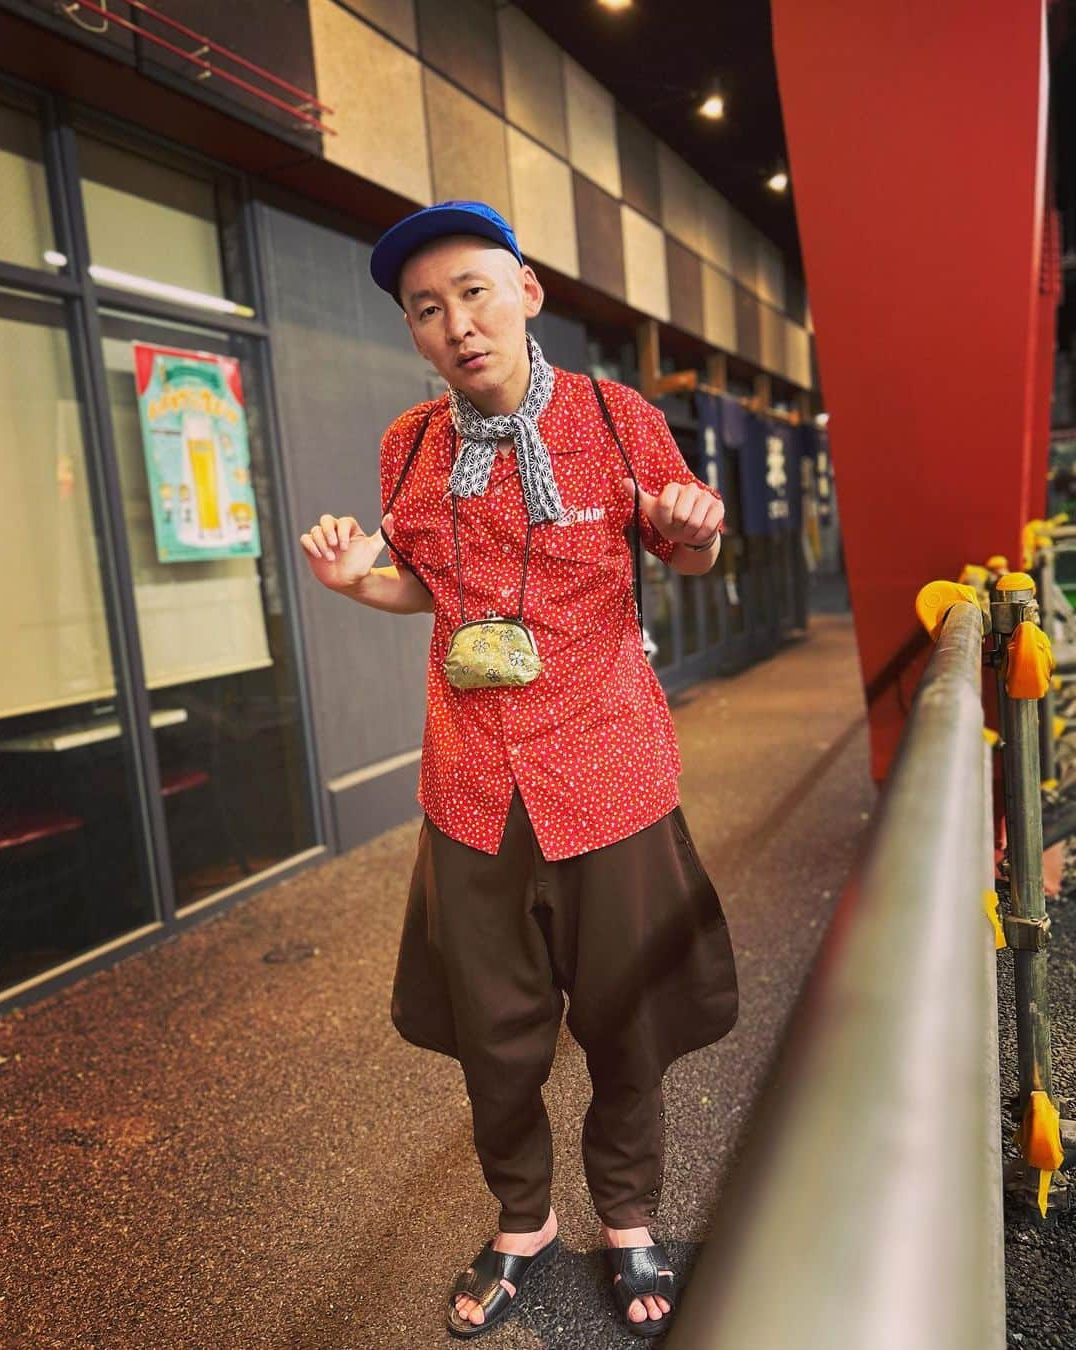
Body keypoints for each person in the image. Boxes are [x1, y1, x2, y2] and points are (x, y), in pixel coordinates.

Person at [299, 201, 738, 1340]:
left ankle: (631, 1217)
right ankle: (523, 1220)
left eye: (475, 293)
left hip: (609, 768)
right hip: (470, 783)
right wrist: (361, 582)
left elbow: (686, 550)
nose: (457, 324)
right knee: (493, 1028)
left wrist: (694, 523)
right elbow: (423, 586)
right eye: (426, 310)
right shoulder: (410, 445)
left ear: (528, 292)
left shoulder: (613, 413)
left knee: (625, 1015)